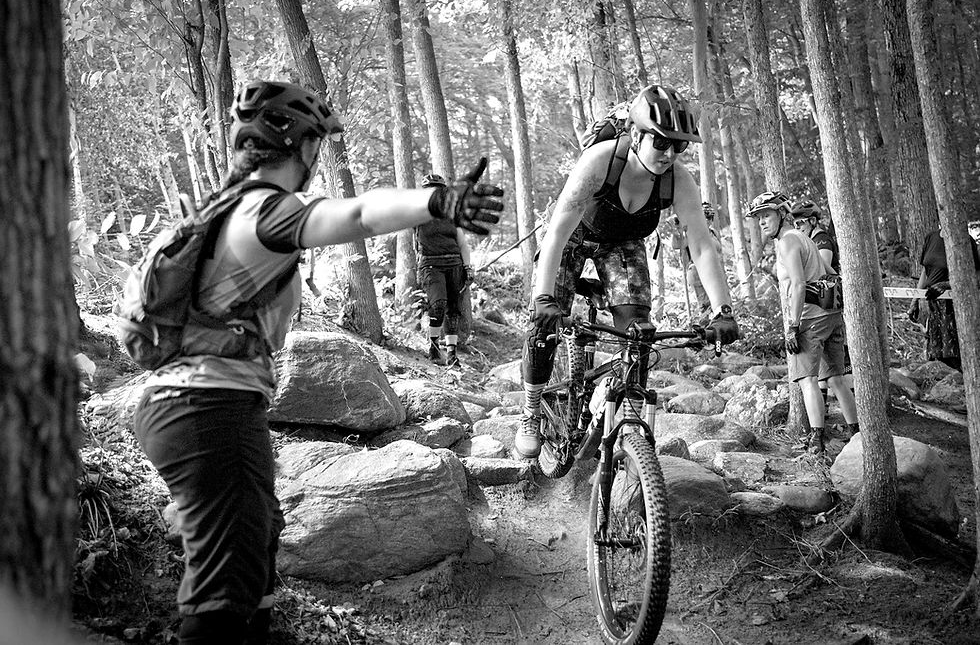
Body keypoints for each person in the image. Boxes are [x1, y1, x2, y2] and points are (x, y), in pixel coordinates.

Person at [131, 80, 503, 645]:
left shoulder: (223, 209)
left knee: (250, 565)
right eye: (316, 146)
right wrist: (435, 202)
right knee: (222, 598)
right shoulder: (265, 210)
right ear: (302, 148)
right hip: (207, 409)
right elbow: (356, 216)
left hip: (197, 408)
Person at [512, 85, 740, 459]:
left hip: (623, 245)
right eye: (661, 143)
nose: (669, 154)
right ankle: (531, 410)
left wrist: (723, 311)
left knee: (638, 333)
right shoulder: (601, 161)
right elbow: (557, 231)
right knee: (543, 329)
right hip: (574, 237)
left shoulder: (677, 180)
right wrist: (543, 299)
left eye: (679, 146)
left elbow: (701, 245)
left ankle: (629, 421)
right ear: (636, 134)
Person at [747, 191, 858, 454]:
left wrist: (794, 326)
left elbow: (798, 284)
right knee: (836, 379)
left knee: (807, 380)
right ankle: (856, 433)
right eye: (759, 217)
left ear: (782, 214)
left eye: (767, 215)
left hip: (809, 318)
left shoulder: (787, 241)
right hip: (830, 316)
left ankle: (816, 442)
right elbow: (830, 272)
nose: (762, 222)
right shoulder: (803, 238)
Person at [790, 199, 852, 404]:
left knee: (827, 372)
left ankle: (824, 411)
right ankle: (824, 408)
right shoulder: (809, 239)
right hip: (820, 306)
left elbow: (825, 270)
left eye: (802, 224)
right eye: (795, 224)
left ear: (813, 221)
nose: (798, 228)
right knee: (828, 373)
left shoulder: (821, 239)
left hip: (823, 307)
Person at [414, 173, 473, 368]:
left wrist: (468, 267)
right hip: (431, 264)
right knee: (438, 304)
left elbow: (462, 243)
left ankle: (452, 354)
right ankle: (433, 347)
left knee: (453, 310)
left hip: (454, 264)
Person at [908, 225, 980, 371]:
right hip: (933, 304)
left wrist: (948, 285)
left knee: (953, 354)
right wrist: (914, 301)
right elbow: (925, 272)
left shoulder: (965, 241)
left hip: (954, 307)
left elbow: (974, 275)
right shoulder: (931, 238)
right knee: (936, 353)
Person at [672, 202, 724, 318]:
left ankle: (716, 326)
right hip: (698, 271)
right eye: (705, 217)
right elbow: (677, 244)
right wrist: (677, 231)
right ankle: (706, 330)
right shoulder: (692, 233)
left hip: (714, 271)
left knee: (718, 304)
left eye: (710, 217)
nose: (708, 220)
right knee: (706, 306)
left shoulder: (713, 232)